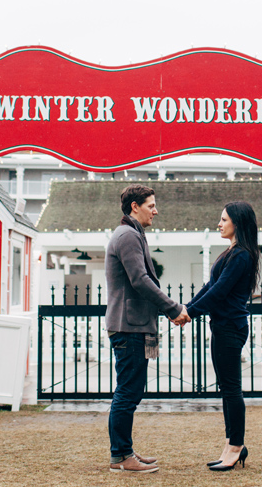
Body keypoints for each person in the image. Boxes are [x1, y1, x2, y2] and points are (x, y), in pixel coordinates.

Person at [105, 184, 190, 474]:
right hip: (130, 328)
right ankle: (121, 457)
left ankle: (125, 450)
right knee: (128, 392)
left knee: (132, 391)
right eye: (151, 205)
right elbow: (140, 280)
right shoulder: (128, 235)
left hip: (139, 327)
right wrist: (173, 308)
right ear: (134, 207)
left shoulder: (132, 234)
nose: (156, 210)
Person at [184, 201, 260, 472]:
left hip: (230, 327)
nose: (219, 223)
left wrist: (189, 313)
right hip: (223, 326)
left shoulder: (241, 255)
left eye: (224, 219)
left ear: (237, 223)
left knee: (231, 390)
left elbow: (220, 293)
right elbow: (210, 286)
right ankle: (231, 444)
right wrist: (186, 308)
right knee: (227, 389)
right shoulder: (232, 252)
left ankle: (236, 446)